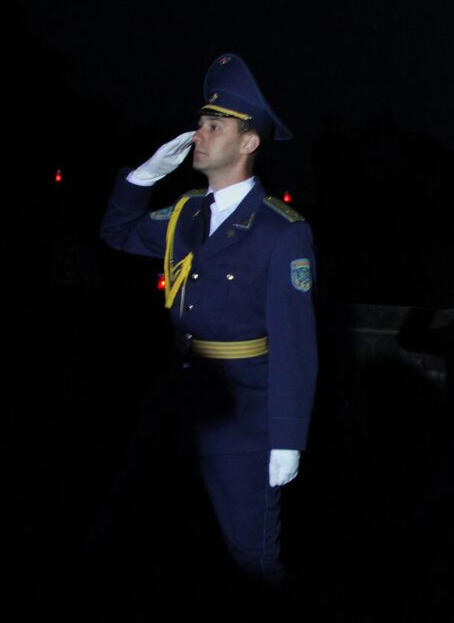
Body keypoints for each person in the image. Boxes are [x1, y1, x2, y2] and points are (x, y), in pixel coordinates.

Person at [100, 53, 317, 583]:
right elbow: (117, 233)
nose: (199, 132)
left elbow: (296, 345)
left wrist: (287, 439)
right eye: (200, 122)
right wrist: (144, 176)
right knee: (140, 539)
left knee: (252, 558)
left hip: (244, 414)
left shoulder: (280, 230)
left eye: (215, 125)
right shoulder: (185, 212)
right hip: (175, 400)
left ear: (248, 143)